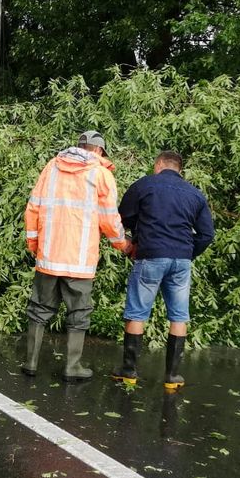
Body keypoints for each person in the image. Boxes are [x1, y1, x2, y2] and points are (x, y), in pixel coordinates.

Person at [21, 130, 133, 380]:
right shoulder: (101, 174)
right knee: (78, 313)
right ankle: (72, 368)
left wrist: (34, 245)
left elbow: (33, 208)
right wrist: (122, 244)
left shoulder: (51, 167)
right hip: (80, 261)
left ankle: (31, 362)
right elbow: (109, 218)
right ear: (99, 151)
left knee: (39, 309)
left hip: (49, 255)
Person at [112, 150, 214, 391]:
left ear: (158, 164)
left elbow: (121, 219)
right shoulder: (195, 195)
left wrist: (130, 243)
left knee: (137, 312)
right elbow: (207, 234)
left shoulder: (144, 185)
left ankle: (129, 372)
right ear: (180, 169)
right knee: (179, 315)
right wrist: (189, 253)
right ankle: (172, 377)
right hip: (181, 261)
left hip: (150, 256)